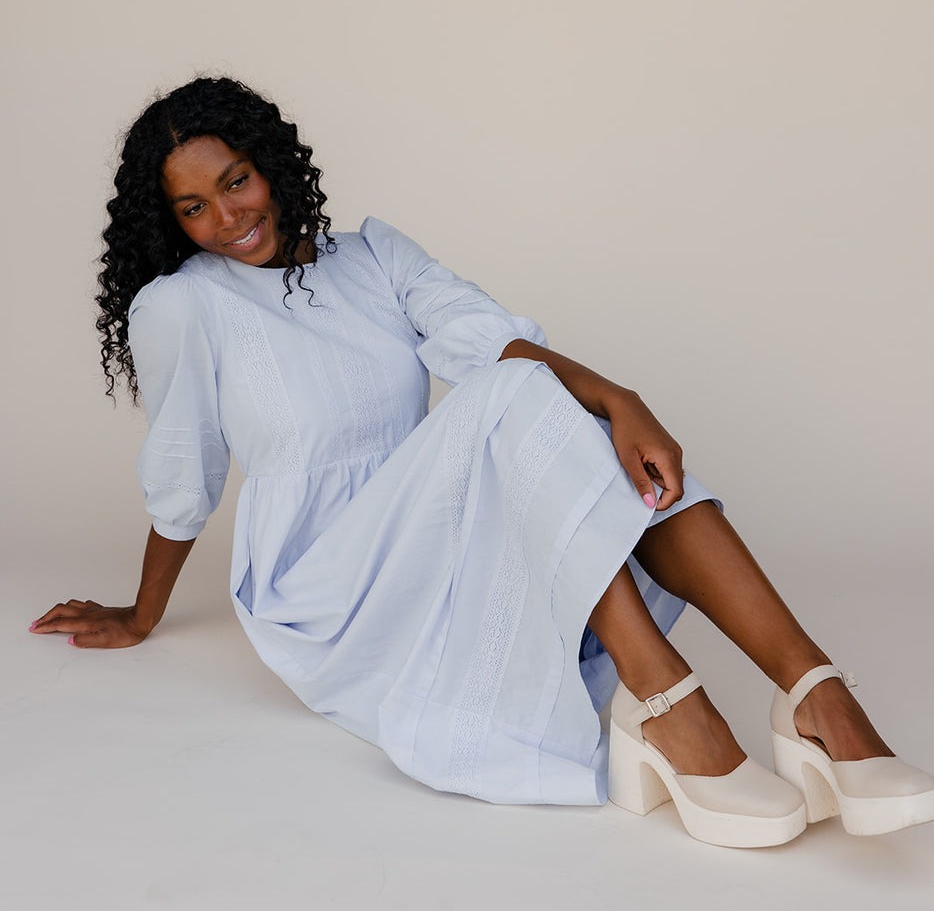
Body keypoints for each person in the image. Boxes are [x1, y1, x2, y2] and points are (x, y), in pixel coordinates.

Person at [31, 76, 934, 847]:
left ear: (268, 162)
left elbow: (489, 341)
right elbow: (185, 473)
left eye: (236, 181)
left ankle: (816, 697)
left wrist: (621, 401)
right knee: (521, 398)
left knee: (553, 405)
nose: (228, 217)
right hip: (327, 590)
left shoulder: (372, 257)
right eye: (194, 206)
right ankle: (669, 707)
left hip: (437, 536)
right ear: (171, 221)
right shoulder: (182, 306)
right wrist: (143, 613)